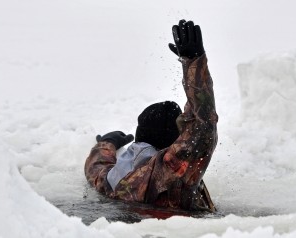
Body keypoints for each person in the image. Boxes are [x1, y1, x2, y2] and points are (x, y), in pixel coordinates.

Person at [84, 19, 218, 212]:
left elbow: (95, 169)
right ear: (172, 143)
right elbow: (203, 126)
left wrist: (107, 143)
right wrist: (194, 62)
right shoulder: (169, 171)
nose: (185, 133)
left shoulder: (117, 180)